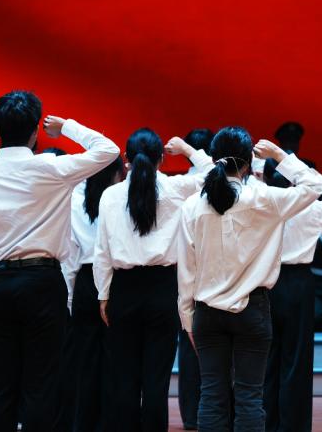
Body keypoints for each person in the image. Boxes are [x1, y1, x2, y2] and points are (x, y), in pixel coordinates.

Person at [0, 90, 120, 432]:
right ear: (36, 129)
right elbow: (108, 150)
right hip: (43, 282)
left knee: (1, 385)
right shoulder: (52, 168)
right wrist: (66, 127)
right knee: (42, 384)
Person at [177, 127, 322, 432]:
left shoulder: (192, 205)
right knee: (249, 397)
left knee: (211, 396)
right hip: (252, 310)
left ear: (214, 159)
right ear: (248, 163)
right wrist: (279, 155)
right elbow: (315, 186)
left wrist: (186, 319)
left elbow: (186, 270)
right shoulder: (264, 198)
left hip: (206, 312)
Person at [94, 129, 212, 431]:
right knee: (156, 381)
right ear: (161, 158)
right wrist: (187, 149)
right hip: (162, 289)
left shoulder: (110, 195)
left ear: (126, 158)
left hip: (123, 289)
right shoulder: (175, 188)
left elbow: (102, 250)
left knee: (123, 378)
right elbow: (215, 173)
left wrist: (103, 294)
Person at [262, 161, 322, 432]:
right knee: (297, 360)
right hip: (299, 282)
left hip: (265, 281)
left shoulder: (259, 204)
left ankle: (267, 425)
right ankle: (294, 426)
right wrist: (306, 176)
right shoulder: (311, 208)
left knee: (266, 359)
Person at [62, 156, 123, 432]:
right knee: (114, 359)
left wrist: (69, 299)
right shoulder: (119, 200)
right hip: (116, 280)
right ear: (117, 173)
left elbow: (70, 257)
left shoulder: (75, 201)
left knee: (84, 360)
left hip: (86, 281)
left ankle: (83, 424)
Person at [178, 128, 213, 430]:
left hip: (184, 271)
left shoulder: (180, 184)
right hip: (217, 272)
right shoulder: (215, 181)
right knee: (220, 348)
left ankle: (191, 415)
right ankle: (217, 413)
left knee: (189, 345)